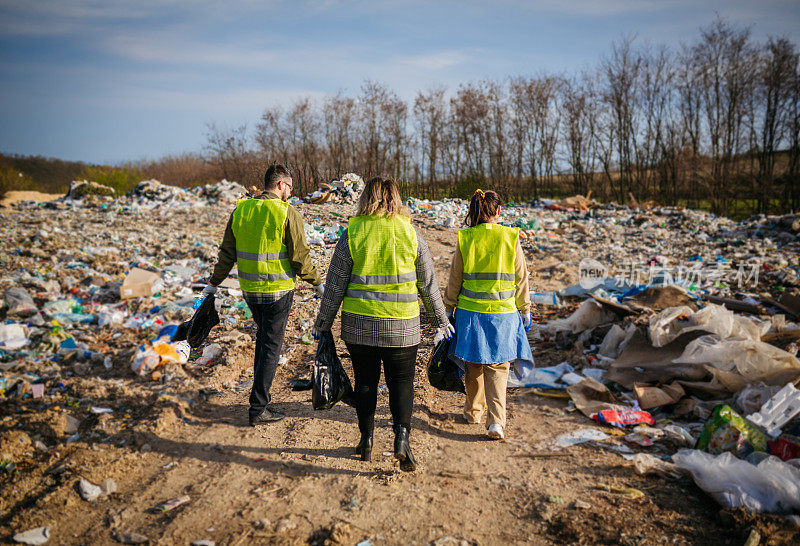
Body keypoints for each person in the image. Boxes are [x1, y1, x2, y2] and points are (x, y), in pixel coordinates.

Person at [314, 177, 452, 471]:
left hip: (360, 325)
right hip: (402, 327)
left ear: (366, 198)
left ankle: (366, 441)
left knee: (365, 383)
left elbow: (335, 285)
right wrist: (441, 321)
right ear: (396, 199)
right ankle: (401, 439)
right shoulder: (411, 233)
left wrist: (323, 323)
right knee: (401, 383)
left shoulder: (352, 233)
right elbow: (428, 285)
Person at [205, 164, 324, 425]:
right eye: (290, 188)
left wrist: (213, 283)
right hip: (278, 292)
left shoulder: (241, 209)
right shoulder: (286, 212)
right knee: (271, 346)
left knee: (264, 339)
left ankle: (259, 400)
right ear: (281, 185)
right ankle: (258, 407)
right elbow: (299, 258)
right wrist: (317, 284)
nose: (291, 193)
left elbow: (227, 253)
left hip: (250, 291)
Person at [443, 189, 533, 440]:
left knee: (474, 363)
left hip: (470, 313)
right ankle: (496, 423)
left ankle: (473, 412)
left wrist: (448, 310)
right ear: (499, 211)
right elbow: (521, 276)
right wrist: (525, 308)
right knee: (499, 366)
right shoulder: (510, 237)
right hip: (503, 314)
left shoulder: (466, 238)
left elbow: (455, 279)